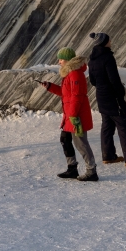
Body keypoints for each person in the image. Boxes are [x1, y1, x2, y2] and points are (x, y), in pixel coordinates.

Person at [87, 32, 126, 168]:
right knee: (123, 126)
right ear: (104, 43)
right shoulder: (108, 57)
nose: (111, 42)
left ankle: (108, 156)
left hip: (101, 97)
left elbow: (92, 80)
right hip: (112, 97)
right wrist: (120, 93)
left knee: (107, 127)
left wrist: (102, 88)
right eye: (109, 40)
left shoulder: (92, 60)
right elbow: (114, 79)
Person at [40, 48, 98, 181]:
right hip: (70, 115)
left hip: (76, 116)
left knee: (81, 143)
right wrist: (50, 86)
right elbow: (66, 93)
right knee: (65, 140)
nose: (59, 61)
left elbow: (77, 96)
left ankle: (91, 171)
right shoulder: (69, 74)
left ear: (67, 60)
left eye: (60, 59)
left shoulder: (75, 74)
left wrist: (72, 115)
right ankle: (72, 168)